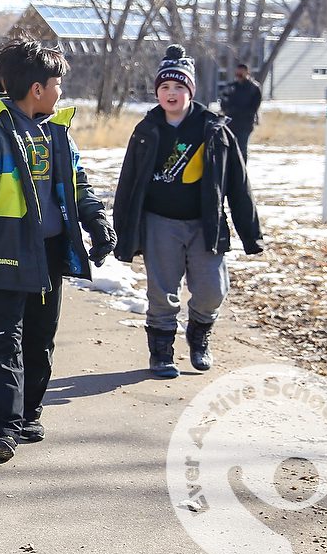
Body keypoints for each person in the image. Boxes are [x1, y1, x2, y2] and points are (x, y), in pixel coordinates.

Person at [0, 39, 115, 462]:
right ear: (37, 88)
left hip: (50, 253)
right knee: (5, 340)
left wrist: (97, 222)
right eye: (57, 84)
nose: (60, 93)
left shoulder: (57, 132)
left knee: (41, 337)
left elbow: (78, 185)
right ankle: (0, 429)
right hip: (5, 253)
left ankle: (29, 412)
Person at [112, 44, 263, 382]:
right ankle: (161, 351)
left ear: (191, 91)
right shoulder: (146, 130)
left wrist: (251, 234)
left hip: (205, 224)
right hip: (159, 222)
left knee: (212, 290)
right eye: (165, 87)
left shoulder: (214, 129)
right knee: (162, 291)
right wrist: (121, 231)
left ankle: (198, 334)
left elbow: (239, 185)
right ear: (157, 92)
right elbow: (128, 183)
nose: (171, 93)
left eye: (179, 86)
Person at [218, 62, 262, 161]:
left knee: (241, 149)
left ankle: (241, 173)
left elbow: (254, 107)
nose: (238, 77)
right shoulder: (231, 87)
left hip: (245, 123)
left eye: (241, 75)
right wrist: (226, 109)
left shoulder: (253, 88)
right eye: (237, 74)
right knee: (229, 149)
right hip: (230, 122)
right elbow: (223, 100)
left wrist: (237, 111)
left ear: (247, 73)